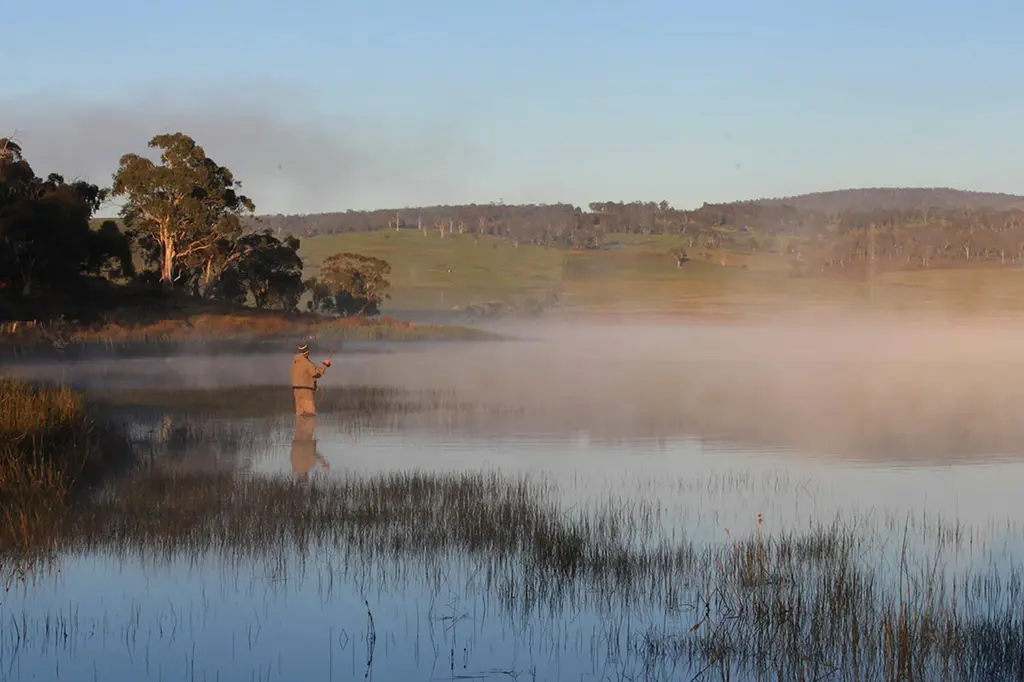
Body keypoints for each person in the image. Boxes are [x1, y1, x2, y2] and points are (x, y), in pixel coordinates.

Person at [290, 343, 331, 416]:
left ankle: (299, 427)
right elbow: (316, 374)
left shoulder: (295, 364)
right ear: (307, 352)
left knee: (300, 413)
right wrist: (325, 365)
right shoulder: (307, 363)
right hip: (306, 391)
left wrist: (314, 385)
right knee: (310, 414)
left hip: (296, 391)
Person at [291, 413, 329, 479]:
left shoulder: (296, 466)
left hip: (300, 440)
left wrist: (323, 462)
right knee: (308, 418)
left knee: (305, 418)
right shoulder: (301, 465)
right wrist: (323, 462)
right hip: (302, 440)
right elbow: (315, 455)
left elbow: (313, 455)